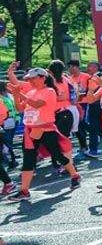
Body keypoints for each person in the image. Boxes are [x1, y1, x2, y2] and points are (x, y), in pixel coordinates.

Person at [5, 64, 81, 201]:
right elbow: (20, 109)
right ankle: (24, 190)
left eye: (33, 78)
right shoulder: (31, 92)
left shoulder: (50, 91)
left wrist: (19, 94)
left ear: (43, 78)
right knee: (28, 160)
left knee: (58, 156)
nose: (30, 81)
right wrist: (16, 96)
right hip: (31, 131)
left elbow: (37, 104)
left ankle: (74, 175)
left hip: (46, 129)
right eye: (29, 79)